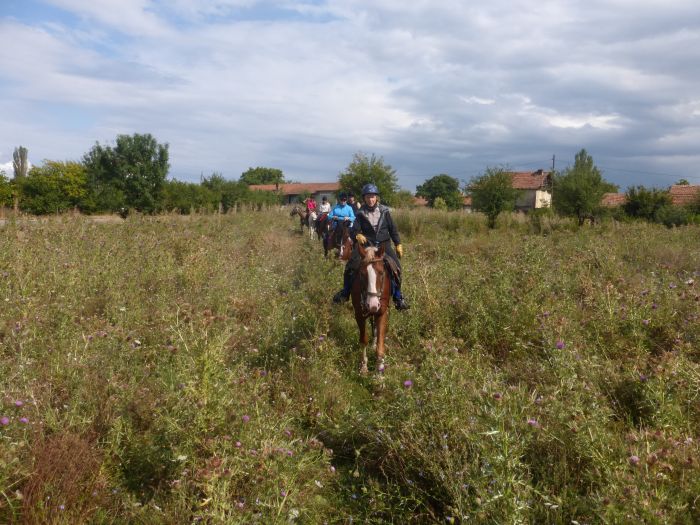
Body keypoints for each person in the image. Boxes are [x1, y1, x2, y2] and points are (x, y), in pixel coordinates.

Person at [333, 184, 409, 310]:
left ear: (376, 198)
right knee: (350, 266)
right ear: (364, 198)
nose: (370, 199)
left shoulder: (385, 211)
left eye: (373, 197)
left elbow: (392, 229)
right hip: (366, 246)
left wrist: (398, 244)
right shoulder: (360, 213)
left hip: (383, 245)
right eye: (368, 197)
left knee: (397, 268)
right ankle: (345, 293)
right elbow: (353, 230)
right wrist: (357, 235)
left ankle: (398, 296)